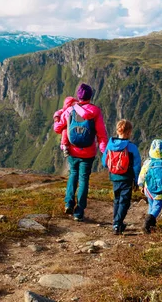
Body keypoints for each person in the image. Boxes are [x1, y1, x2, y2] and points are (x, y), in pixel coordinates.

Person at [54, 84, 108, 222]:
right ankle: (79, 212)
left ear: (78, 96)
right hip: (88, 153)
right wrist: (105, 152)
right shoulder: (95, 111)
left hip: (73, 150)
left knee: (73, 175)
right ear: (90, 96)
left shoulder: (70, 110)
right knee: (84, 179)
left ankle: (68, 203)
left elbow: (58, 128)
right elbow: (101, 134)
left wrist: (56, 118)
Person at [102, 119, 142, 235]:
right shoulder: (131, 147)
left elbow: (104, 162)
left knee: (117, 200)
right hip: (127, 178)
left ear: (117, 130)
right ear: (129, 132)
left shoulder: (110, 145)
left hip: (114, 177)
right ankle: (117, 224)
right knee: (125, 201)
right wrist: (136, 179)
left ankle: (116, 222)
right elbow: (136, 165)